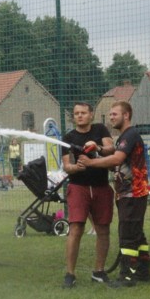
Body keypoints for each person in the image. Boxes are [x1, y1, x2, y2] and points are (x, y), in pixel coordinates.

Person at [78, 101, 150, 288]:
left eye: (114, 114)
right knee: (137, 234)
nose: (111, 117)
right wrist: (98, 151)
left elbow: (117, 158)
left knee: (127, 235)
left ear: (126, 115)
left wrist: (90, 163)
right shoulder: (123, 137)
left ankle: (127, 277)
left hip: (133, 193)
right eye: (110, 115)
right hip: (127, 193)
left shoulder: (131, 134)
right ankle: (144, 272)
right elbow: (115, 162)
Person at [60, 103, 115, 288]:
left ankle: (99, 271)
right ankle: (70, 274)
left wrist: (97, 147)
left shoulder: (100, 129)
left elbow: (111, 150)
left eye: (83, 113)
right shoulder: (68, 137)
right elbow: (66, 165)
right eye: (76, 113)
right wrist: (76, 167)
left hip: (101, 186)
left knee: (103, 229)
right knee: (75, 229)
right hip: (78, 187)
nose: (80, 116)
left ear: (91, 115)